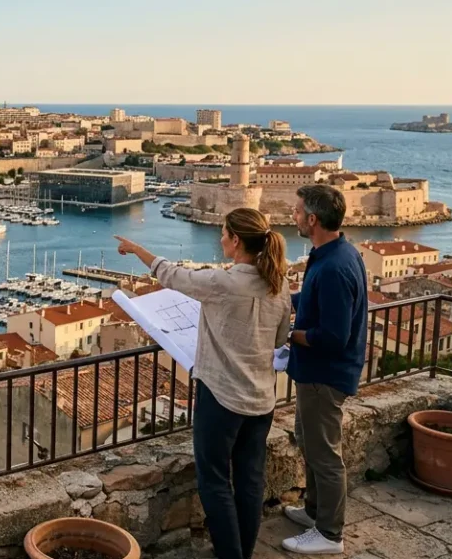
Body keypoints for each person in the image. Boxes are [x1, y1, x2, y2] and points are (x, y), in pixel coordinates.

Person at [115, 207, 291, 559]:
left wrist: (137, 250)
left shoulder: (223, 283)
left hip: (221, 396)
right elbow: (279, 338)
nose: (220, 238)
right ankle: (244, 550)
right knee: (250, 480)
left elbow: (171, 275)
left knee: (214, 481)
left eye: (223, 233)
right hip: (261, 400)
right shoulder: (279, 284)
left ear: (236, 240)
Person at [281, 185, 368, 555]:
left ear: (312, 219)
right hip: (316, 372)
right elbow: (312, 300)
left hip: (324, 374)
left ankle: (330, 534)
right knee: (309, 441)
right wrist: (280, 301)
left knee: (325, 456)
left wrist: (290, 334)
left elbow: (333, 336)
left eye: (298, 212)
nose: (294, 216)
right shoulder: (337, 253)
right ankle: (316, 512)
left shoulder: (333, 267)